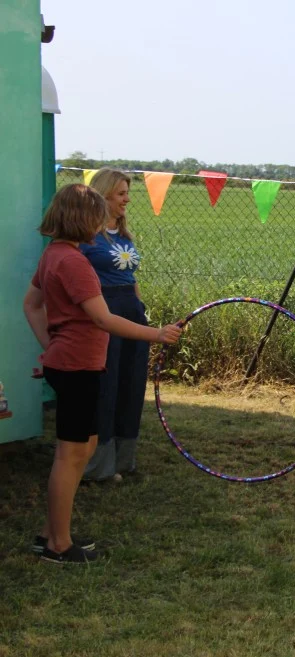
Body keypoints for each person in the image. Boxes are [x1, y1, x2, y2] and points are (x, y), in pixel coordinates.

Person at [23, 184, 181, 563]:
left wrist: (51, 347)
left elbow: (32, 305)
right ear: (84, 219)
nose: (103, 222)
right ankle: (58, 546)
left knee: (84, 446)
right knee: (71, 454)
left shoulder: (54, 254)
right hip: (77, 365)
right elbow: (103, 318)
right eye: (97, 215)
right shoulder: (74, 263)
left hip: (73, 362)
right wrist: (157, 334)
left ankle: (49, 532)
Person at [80, 168, 148, 483]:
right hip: (105, 313)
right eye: (121, 193)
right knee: (106, 388)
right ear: (103, 194)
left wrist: (141, 309)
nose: (127, 199)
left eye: (126, 193)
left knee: (131, 385)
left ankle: (124, 460)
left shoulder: (124, 235)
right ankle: (99, 467)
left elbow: (130, 277)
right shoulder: (86, 237)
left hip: (132, 312)